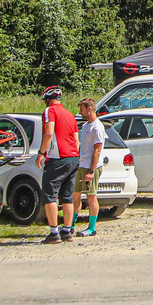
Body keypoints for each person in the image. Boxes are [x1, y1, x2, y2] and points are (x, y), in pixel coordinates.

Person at [36, 85, 80, 244]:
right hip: (74, 157)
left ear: (47, 100)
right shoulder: (70, 114)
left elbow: (49, 133)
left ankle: (54, 232)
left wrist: (41, 153)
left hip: (57, 158)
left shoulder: (50, 111)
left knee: (49, 195)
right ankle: (67, 231)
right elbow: (76, 140)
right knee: (67, 196)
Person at [72, 98, 106, 238]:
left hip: (92, 166)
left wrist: (91, 171)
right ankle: (71, 224)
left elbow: (97, 150)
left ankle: (92, 228)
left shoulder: (97, 127)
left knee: (91, 196)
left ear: (89, 109)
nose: (80, 112)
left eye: (82, 109)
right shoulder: (86, 125)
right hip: (82, 164)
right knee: (76, 194)